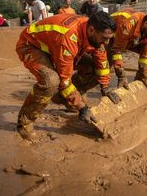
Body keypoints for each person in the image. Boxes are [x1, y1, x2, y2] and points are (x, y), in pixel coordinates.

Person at [15, 11, 119, 141]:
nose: (107, 43)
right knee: (51, 81)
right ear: (92, 30)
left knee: (93, 68)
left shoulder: (92, 32)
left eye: (109, 38)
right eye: (104, 38)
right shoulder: (69, 37)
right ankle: (24, 123)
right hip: (31, 45)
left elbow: (101, 60)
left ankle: (64, 98)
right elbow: (65, 81)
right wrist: (82, 107)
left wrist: (105, 87)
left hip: (56, 46)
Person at [105, 9, 147, 91]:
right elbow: (116, 51)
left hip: (130, 38)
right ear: (146, 23)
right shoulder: (127, 25)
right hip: (111, 36)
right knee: (104, 67)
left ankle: (140, 80)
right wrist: (121, 77)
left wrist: (145, 75)